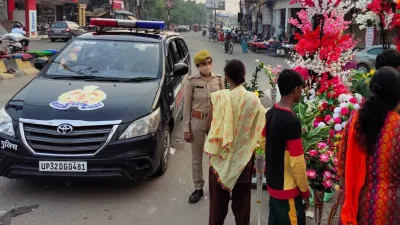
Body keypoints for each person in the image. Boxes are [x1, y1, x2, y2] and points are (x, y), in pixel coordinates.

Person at [205, 59, 266, 225]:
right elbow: (259, 126)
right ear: (243, 75)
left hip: (219, 160)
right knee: (242, 208)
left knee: (217, 209)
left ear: (226, 76)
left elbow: (209, 126)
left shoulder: (218, 98)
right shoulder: (253, 101)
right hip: (242, 161)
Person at [338, 66, 400, 225]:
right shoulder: (397, 126)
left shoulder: (356, 120)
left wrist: (344, 188)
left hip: (355, 202)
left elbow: (343, 160)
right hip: (387, 207)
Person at [262, 69, 310, 225]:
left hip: (273, 184)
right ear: (295, 89)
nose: (301, 93)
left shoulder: (271, 113)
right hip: (288, 190)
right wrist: (304, 191)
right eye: (301, 89)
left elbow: (262, 141)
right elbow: (296, 163)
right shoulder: (292, 121)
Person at [183, 50, 224, 204]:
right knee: (197, 157)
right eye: (203, 64)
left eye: (209, 63)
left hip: (215, 122)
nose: (207, 66)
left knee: (218, 155)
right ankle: (198, 187)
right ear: (198, 66)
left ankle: (220, 185)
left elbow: (223, 102)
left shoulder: (218, 79)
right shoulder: (192, 81)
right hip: (197, 122)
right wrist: (186, 129)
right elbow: (187, 107)